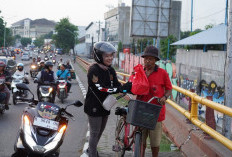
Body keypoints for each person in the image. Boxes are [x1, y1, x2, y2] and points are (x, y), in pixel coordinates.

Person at [84, 41, 131, 157]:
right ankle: (92, 154)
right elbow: (101, 88)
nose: (110, 58)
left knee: (99, 132)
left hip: (105, 105)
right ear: (99, 56)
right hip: (94, 105)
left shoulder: (110, 70)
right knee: (94, 133)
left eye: (111, 55)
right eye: (106, 56)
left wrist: (127, 87)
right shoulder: (93, 70)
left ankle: (92, 150)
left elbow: (116, 84)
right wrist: (120, 89)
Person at [138, 46, 172, 157]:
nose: (147, 61)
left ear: (155, 60)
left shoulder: (163, 73)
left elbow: (169, 88)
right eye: (146, 59)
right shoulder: (139, 72)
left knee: (155, 142)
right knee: (140, 139)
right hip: (141, 109)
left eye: (151, 59)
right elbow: (134, 85)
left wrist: (165, 97)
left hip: (156, 111)